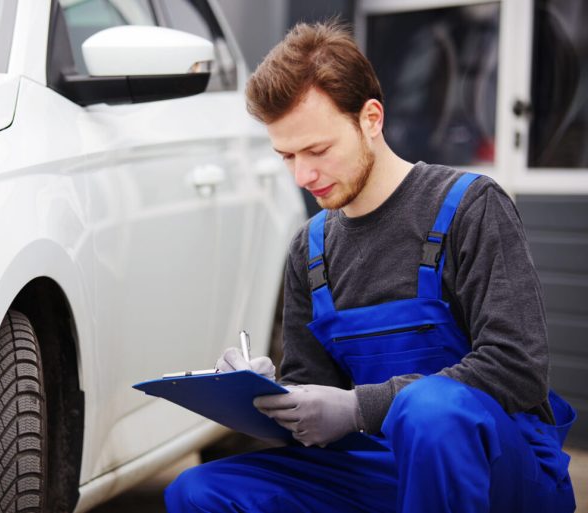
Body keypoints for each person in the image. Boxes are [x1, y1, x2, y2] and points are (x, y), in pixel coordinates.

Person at [165, 20, 576, 513]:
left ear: (371, 119)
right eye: (287, 155)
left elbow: (517, 369)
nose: (303, 175)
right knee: (198, 491)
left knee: (430, 411)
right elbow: (319, 411)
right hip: (380, 469)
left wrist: (360, 407)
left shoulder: (471, 207)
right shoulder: (309, 249)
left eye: (317, 150)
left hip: (498, 473)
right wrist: (269, 396)